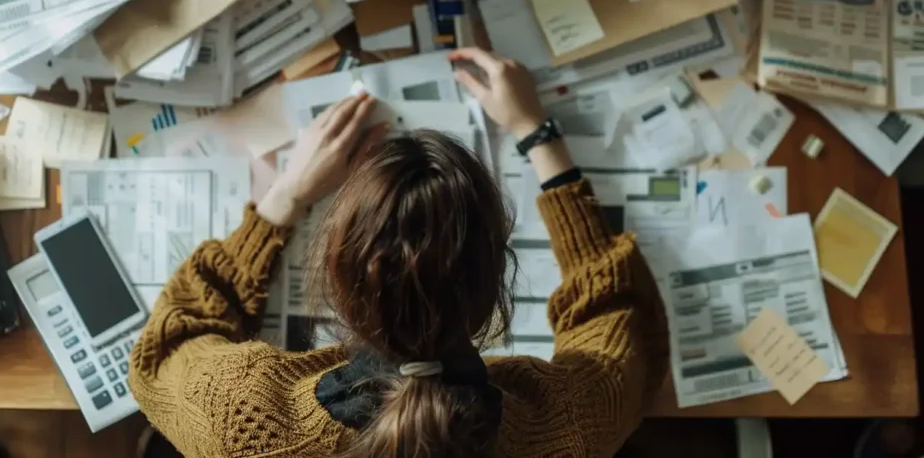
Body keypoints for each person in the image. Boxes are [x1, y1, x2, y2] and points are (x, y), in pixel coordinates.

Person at [128, 48, 669, 458]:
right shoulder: (570, 425)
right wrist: (536, 132)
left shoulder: (242, 419)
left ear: (337, 280)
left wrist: (285, 197)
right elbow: (620, 315)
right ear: (497, 282)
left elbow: (167, 346)